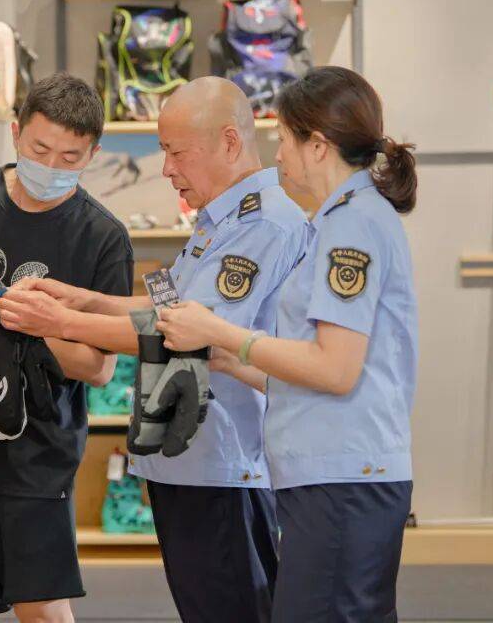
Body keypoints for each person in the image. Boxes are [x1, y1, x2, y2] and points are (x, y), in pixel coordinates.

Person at [0, 77, 310, 622]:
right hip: (192, 459)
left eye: (176, 152)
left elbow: (185, 335)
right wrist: (87, 300)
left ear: (229, 142)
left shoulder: (262, 224)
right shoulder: (221, 220)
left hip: (224, 464)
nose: (165, 168)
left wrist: (62, 321)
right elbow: (168, 308)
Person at [155, 66, 419, 622]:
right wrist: (231, 358)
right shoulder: (338, 221)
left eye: (284, 139)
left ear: (318, 146)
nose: (276, 156)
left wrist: (224, 334)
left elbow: (335, 369)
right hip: (328, 474)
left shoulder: (351, 224)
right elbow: (311, 365)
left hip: (343, 476)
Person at [0, 72, 134, 623]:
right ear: (16, 133)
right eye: (39, 150)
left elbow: (99, 368)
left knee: (44, 611)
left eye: (70, 157)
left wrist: (35, 326)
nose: (51, 166)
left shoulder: (103, 237)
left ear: (93, 154)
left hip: (38, 459)